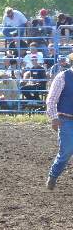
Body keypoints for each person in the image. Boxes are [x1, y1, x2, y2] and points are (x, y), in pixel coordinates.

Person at [45, 53, 73, 190]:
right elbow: (51, 100)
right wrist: (54, 118)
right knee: (67, 151)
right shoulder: (63, 77)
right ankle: (54, 174)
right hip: (66, 119)